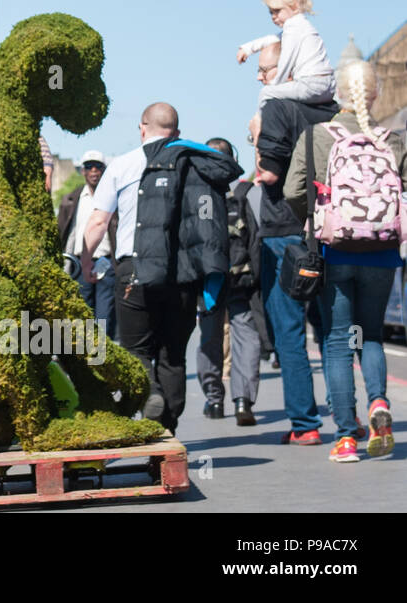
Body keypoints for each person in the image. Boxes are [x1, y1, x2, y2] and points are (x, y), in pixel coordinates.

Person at [80, 103, 240, 435]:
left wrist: (86, 259)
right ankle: (168, 429)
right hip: (183, 275)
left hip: (133, 271)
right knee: (173, 354)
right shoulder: (196, 163)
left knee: (136, 348)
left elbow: (98, 221)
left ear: (142, 128)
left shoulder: (123, 165)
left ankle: (150, 393)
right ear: (177, 134)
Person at [284, 59, 407, 462]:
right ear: (375, 93)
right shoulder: (394, 139)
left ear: (338, 92)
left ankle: (347, 439)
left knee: (338, 341)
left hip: (334, 250)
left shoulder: (317, 135)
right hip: (383, 252)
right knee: (369, 334)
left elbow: (292, 190)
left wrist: (317, 216)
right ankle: (377, 403)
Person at [251, 41, 339, 444]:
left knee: (288, 330)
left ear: (287, 70)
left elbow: (267, 175)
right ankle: (347, 419)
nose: (260, 77)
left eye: (266, 70)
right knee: (333, 328)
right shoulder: (333, 110)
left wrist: (256, 139)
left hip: (284, 232)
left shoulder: (275, 107)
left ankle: (305, 426)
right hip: (328, 231)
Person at [198, 138, 262, 424]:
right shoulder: (247, 192)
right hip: (242, 277)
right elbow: (258, 239)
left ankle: (213, 401)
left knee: (210, 338)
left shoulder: (198, 193)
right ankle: (242, 401)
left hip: (209, 280)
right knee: (245, 336)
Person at [237, 0, 336, 130]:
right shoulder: (302, 25)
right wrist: (249, 48)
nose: (273, 17)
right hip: (328, 86)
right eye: (271, 12)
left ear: (294, 7)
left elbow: (286, 60)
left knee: (266, 93)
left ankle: (260, 127)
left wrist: (275, 84)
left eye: (277, 11)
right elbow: (273, 38)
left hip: (310, 84)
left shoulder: (292, 27)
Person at [57, 150, 117, 337]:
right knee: (83, 312)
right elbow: (64, 232)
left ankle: (102, 358)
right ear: (82, 171)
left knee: (104, 315)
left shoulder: (113, 197)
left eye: (98, 166)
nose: (93, 171)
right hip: (78, 263)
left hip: (105, 262)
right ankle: (86, 359)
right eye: (89, 166)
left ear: (104, 170)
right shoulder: (71, 199)